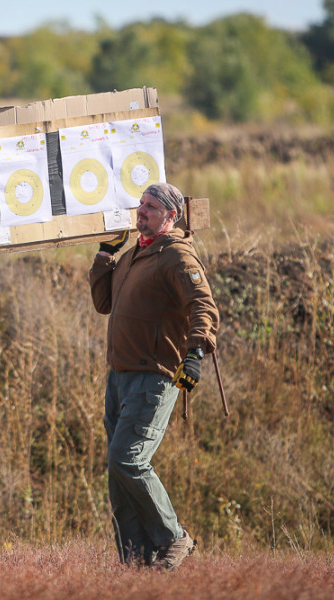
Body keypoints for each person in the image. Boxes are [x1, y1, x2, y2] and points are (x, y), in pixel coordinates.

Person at [89, 182, 219, 570]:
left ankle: (174, 537)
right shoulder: (134, 255)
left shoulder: (177, 255)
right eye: (140, 204)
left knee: (128, 459)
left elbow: (203, 306)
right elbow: (103, 304)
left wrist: (195, 352)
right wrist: (105, 255)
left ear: (171, 215)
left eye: (150, 206)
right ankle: (136, 563)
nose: (140, 211)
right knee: (117, 471)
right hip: (120, 377)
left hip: (155, 377)